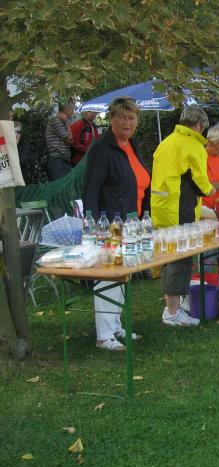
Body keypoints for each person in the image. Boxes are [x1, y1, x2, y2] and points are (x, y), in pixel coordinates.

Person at [83, 97, 151, 351]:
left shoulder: (131, 145)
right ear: (111, 118)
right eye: (121, 117)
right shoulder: (102, 149)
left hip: (132, 222)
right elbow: (91, 189)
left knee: (122, 275)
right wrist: (93, 225)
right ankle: (103, 335)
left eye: (131, 118)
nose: (126, 122)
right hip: (109, 224)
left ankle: (115, 325)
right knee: (108, 277)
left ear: (137, 122)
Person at [151, 104, 215, 327]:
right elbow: (200, 180)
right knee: (180, 259)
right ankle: (173, 312)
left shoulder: (166, 142)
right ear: (198, 125)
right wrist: (211, 191)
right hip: (180, 208)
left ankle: (172, 306)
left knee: (168, 258)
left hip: (161, 207)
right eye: (203, 128)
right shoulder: (193, 145)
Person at [44, 101, 75, 180]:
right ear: (64, 109)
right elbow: (70, 139)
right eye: (71, 109)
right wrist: (67, 122)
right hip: (57, 160)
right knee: (61, 186)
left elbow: (71, 141)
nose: (73, 112)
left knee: (66, 185)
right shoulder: (56, 120)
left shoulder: (63, 121)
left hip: (64, 160)